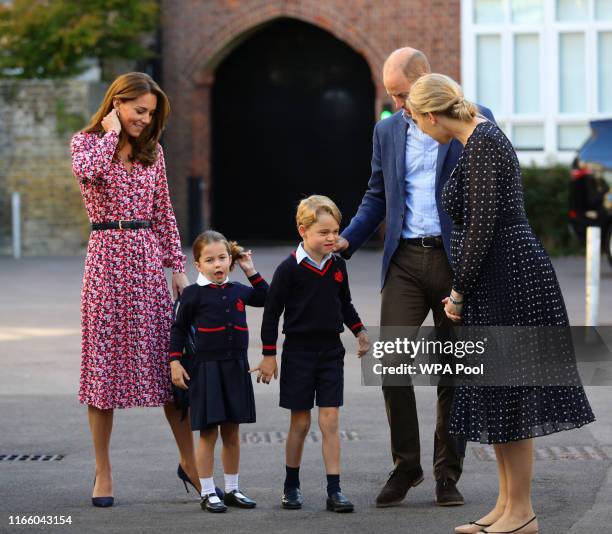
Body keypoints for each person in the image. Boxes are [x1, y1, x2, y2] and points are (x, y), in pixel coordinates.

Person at [407, 73, 596, 534]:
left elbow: (481, 227)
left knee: (513, 392)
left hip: (512, 276)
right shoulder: (478, 140)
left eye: (415, 120)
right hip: (500, 275)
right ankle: (506, 505)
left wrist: (457, 291)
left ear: (432, 115)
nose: (418, 129)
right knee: (500, 393)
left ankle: (522, 512)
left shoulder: (485, 141)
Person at [334, 47, 495, 508]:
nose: (398, 104)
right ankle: (407, 467)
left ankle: (448, 474)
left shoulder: (475, 119)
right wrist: (347, 239)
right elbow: (376, 193)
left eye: (402, 94)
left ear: (426, 78)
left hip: (454, 261)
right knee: (392, 368)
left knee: (455, 370)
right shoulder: (386, 129)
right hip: (403, 259)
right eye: (391, 96)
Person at [70, 72, 204, 507]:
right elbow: (87, 175)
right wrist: (109, 136)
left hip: (146, 262)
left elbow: (164, 211)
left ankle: (191, 463)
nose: (145, 120)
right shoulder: (87, 143)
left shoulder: (154, 153)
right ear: (116, 104)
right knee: (102, 372)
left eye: (151, 113)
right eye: (138, 110)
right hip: (106, 260)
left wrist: (177, 268)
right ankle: (103, 472)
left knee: (170, 368)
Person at [252, 195, 370, 513]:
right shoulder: (289, 269)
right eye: (324, 232)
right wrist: (268, 355)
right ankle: (291, 486)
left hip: (331, 352)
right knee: (301, 423)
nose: (332, 238)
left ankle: (335, 490)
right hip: (298, 354)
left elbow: (344, 303)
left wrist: (359, 331)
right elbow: (271, 313)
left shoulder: (338, 266)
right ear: (303, 230)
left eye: (335, 231)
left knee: (330, 421)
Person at [169, 230, 268, 513]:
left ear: (230, 260)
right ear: (198, 265)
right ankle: (208, 491)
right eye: (209, 260)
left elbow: (266, 297)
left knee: (233, 432)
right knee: (208, 433)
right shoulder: (191, 295)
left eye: (222, 258)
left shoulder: (237, 290)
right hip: (206, 370)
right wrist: (175, 362)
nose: (217, 265)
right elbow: (177, 330)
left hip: (236, 367)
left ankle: (233, 489)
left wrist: (250, 269)